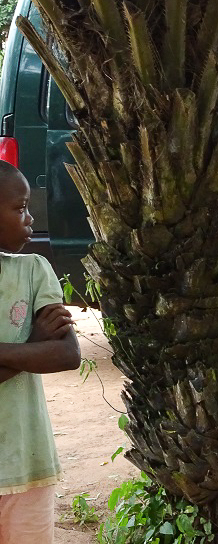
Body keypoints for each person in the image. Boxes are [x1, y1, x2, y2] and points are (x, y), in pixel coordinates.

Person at [0, 162, 81, 543]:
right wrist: (32, 346)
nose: (31, 218)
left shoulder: (34, 270)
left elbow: (67, 355)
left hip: (28, 464)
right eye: (20, 209)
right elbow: (46, 351)